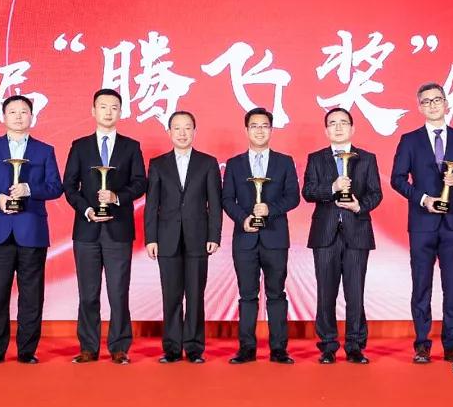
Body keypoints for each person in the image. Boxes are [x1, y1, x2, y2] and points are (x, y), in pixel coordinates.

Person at [0, 94, 63, 365]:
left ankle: (27, 351)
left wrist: (29, 189)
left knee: (32, 294)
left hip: (32, 230)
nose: (19, 116)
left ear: (32, 116)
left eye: (24, 112)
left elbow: (56, 187)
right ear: (3, 116)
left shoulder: (45, 150)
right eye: (13, 112)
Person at [390, 83, 453, 364]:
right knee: (421, 285)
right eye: (426, 101)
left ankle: (452, 344)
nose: (432, 105)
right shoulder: (410, 140)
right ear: (419, 107)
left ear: (446, 103)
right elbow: (397, 179)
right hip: (422, 223)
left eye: (437, 100)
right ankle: (422, 344)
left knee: (452, 286)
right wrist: (423, 199)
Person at [63, 88, 147, 365]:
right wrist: (86, 210)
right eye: (103, 106)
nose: (108, 112)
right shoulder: (80, 146)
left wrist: (116, 197)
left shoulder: (131, 146)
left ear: (120, 112)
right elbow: (69, 186)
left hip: (118, 230)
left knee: (118, 292)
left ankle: (119, 347)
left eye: (114, 107)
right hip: (86, 231)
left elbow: (140, 183)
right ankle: (88, 347)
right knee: (88, 293)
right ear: (93, 111)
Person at [302, 107, 382, 364]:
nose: (338, 127)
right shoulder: (316, 158)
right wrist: (332, 187)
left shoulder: (366, 158)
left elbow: (376, 193)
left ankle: (355, 345)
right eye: (332, 123)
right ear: (326, 130)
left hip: (357, 232)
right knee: (325, 293)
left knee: (355, 293)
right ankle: (327, 345)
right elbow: (308, 192)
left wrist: (359, 206)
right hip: (324, 234)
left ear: (352, 128)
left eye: (343, 123)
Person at [222, 107, 299, 364]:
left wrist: (270, 209)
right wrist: (243, 219)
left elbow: (293, 197)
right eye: (254, 126)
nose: (259, 130)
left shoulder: (284, 162)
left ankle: (279, 349)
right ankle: (246, 348)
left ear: (271, 130)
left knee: (276, 294)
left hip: (275, 238)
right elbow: (226, 199)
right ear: (246, 130)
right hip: (245, 239)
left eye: (264, 126)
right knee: (247, 295)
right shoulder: (234, 164)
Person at [144, 111, 222, 364]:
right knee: (171, 295)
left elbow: (215, 203)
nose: (182, 133)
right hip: (166, 238)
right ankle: (172, 348)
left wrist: (214, 235)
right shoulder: (158, 164)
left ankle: (195, 348)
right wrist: (151, 238)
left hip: (198, 237)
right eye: (177, 128)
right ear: (169, 132)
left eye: (187, 128)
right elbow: (151, 204)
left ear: (194, 132)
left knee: (196, 295)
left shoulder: (207, 163)